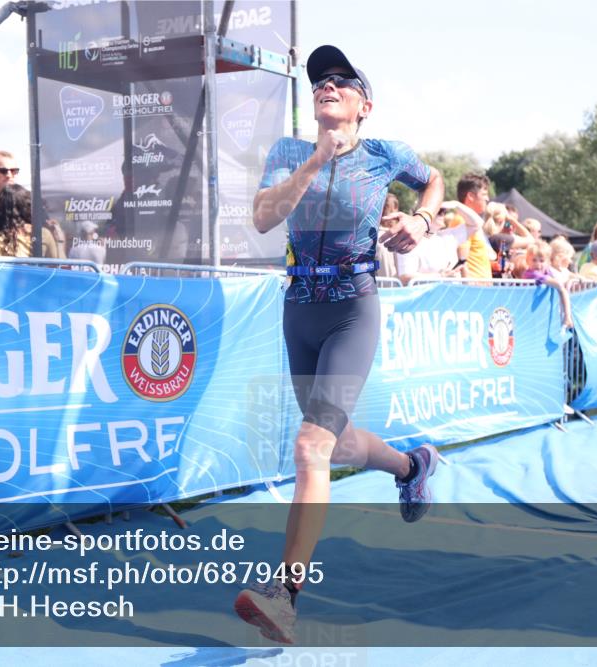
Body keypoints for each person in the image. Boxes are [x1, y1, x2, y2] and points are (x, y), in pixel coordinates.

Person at [234, 44, 448, 645]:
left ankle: (285, 597)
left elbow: (433, 181)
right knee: (333, 442)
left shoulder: (384, 155)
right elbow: (262, 218)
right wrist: (317, 159)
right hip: (298, 307)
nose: (327, 85)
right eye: (319, 81)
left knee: (311, 447)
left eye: (341, 80)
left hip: (352, 307)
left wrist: (422, 221)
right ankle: (410, 465)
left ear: (364, 105)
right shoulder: (289, 152)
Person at [0, 184, 63, 259]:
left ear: (1, 210)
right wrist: (60, 241)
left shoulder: (0, 238)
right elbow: (59, 264)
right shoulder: (43, 234)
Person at [448, 173, 494, 280]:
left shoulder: (471, 222)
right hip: (473, 288)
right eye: (484, 194)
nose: (487, 199)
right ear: (470, 196)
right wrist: (469, 286)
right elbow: (462, 261)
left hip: (481, 287)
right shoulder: (462, 221)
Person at [522, 241, 573, 327]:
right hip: (529, 312)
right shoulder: (532, 274)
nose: (538, 264)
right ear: (527, 261)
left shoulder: (547, 271)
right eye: (534, 260)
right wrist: (567, 316)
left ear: (548, 262)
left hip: (541, 314)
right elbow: (560, 286)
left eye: (542, 261)